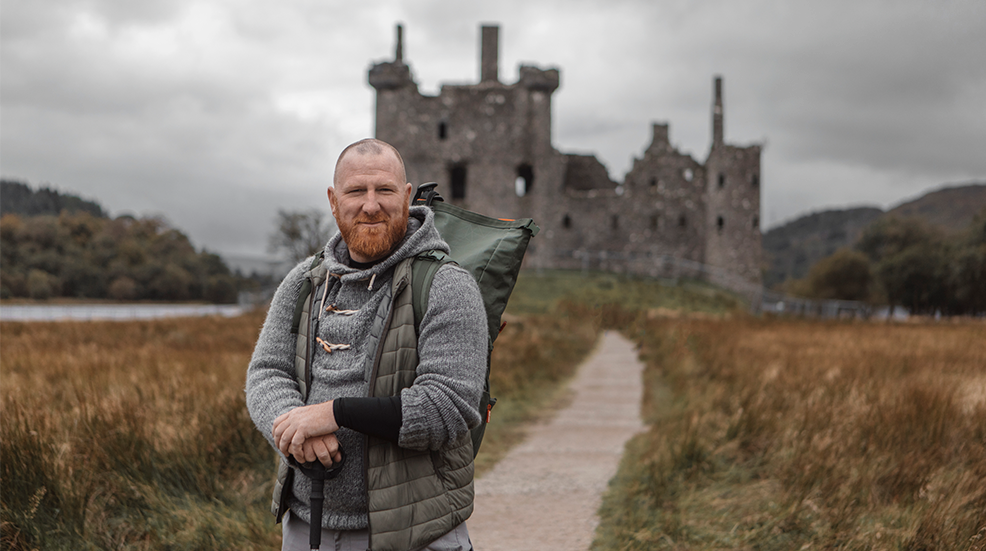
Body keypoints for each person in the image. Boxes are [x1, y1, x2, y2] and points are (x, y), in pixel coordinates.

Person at [246, 138, 486, 551]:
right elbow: (266, 372)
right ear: (333, 200)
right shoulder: (304, 281)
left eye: (385, 190)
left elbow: (448, 407)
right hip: (307, 527)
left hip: (416, 533)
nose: (371, 205)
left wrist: (334, 414)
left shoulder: (447, 285)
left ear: (407, 197)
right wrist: (293, 425)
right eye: (356, 191)